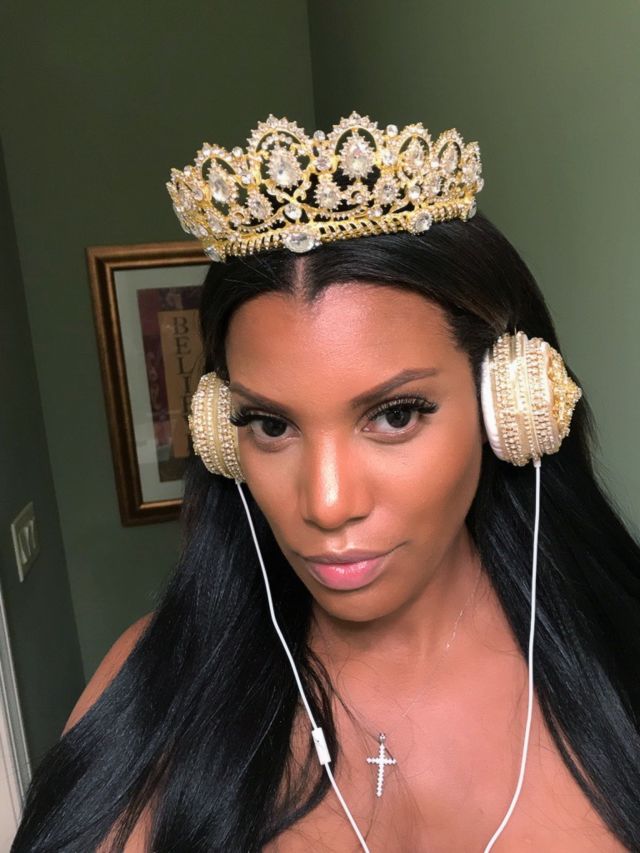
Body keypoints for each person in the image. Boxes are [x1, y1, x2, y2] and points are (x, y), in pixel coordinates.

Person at [11, 114, 640, 852]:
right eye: (271, 424)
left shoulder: (619, 661)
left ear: (510, 403)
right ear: (221, 434)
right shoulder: (154, 691)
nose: (327, 503)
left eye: (395, 415)